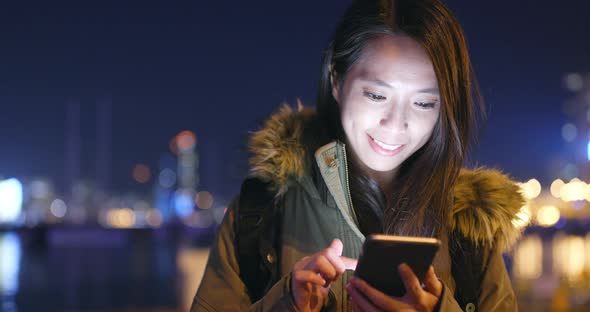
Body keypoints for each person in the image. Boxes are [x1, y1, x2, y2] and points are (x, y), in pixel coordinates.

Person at [192, 0, 524, 311]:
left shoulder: (469, 222)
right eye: (377, 95)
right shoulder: (263, 208)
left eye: (424, 103)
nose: (396, 123)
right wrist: (288, 301)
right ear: (336, 79)